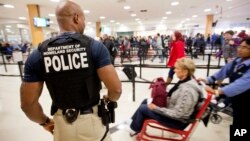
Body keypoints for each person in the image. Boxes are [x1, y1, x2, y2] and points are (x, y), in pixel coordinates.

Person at [20, 1, 122, 141]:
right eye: (84, 19)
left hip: (62, 126)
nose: (84, 23)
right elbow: (116, 89)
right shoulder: (95, 47)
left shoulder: (38, 54)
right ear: (76, 18)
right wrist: (109, 99)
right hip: (92, 123)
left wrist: (45, 122)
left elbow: (27, 105)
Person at [129, 58, 201, 135]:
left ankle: (134, 128)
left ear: (185, 71)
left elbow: (178, 114)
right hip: (173, 112)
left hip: (177, 121)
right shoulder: (186, 81)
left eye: (177, 68)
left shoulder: (187, 91)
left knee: (143, 108)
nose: (174, 70)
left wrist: (156, 108)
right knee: (146, 101)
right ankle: (134, 123)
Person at [199, 38, 250, 129]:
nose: (240, 49)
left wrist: (217, 91)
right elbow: (224, 71)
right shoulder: (237, 61)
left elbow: (240, 84)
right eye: (240, 46)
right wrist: (208, 80)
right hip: (237, 97)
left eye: (245, 47)